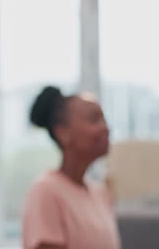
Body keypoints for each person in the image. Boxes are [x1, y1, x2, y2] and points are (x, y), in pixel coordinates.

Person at [22, 86, 120, 249]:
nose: (106, 128)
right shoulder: (46, 190)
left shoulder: (101, 193)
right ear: (63, 133)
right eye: (94, 119)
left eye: (104, 120)